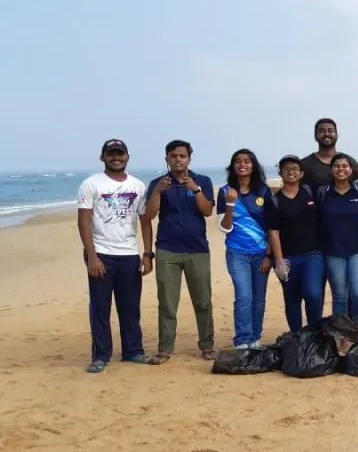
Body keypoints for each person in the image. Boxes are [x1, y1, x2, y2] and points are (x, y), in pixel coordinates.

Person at [77, 139, 153, 373]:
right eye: (111, 154)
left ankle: (133, 351)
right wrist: (92, 256)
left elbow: (145, 221)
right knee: (100, 307)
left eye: (120, 154)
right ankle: (101, 355)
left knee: (130, 307)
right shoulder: (91, 184)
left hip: (129, 254)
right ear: (103, 157)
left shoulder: (138, 186)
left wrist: (147, 254)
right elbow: (84, 220)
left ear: (127, 157)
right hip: (102, 253)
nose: (116, 157)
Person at [144, 140, 216, 365]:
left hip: (197, 250)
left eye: (182, 156)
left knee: (203, 301)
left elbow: (207, 211)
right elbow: (150, 215)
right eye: (173, 156)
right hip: (167, 250)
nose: (178, 159)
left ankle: (207, 345)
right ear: (167, 159)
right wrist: (157, 192)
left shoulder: (202, 181)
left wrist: (195, 189)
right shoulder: (158, 183)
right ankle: (165, 348)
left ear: (189, 159)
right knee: (167, 302)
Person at [217, 149, 272, 349]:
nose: (242, 164)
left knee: (258, 299)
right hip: (237, 252)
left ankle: (255, 339)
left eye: (247, 161)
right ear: (232, 166)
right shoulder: (225, 191)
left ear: (253, 165)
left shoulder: (264, 191)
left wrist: (269, 255)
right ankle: (242, 340)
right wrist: (230, 205)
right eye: (238, 161)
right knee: (244, 296)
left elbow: (271, 226)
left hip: (261, 253)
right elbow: (224, 227)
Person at [266, 155, 324, 333]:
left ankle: (314, 335)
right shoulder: (274, 201)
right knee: (292, 299)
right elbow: (273, 232)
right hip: (288, 257)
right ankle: (297, 337)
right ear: (281, 173)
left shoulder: (311, 192)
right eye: (286, 169)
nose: (291, 172)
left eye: (295, 169)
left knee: (313, 295)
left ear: (301, 174)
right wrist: (279, 261)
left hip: (313, 255)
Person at [319, 153, 358, 328]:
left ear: (351, 170)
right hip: (332, 251)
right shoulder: (323, 192)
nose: (341, 169)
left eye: (344, 166)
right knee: (340, 296)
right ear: (331, 170)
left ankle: (355, 329)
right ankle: (341, 333)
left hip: (357, 250)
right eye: (337, 166)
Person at [301, 118, 358, 189]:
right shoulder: (304, 165)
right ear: (315, 136)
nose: (326, 134)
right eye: (322, 131)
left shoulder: (351, 162)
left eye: (330, 131)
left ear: (337, 135)